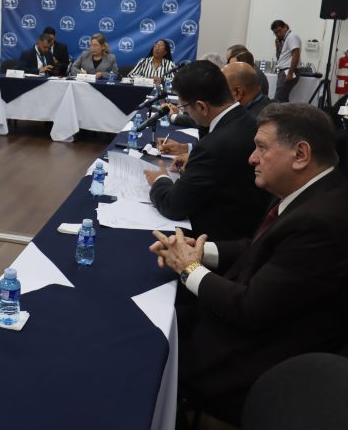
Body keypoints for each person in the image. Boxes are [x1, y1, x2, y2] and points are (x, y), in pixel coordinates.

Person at [149, 103, 348, 425]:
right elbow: (259, 247)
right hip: (248, 323)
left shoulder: (320, 222)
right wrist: (199, 250)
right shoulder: (314, 191)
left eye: (261, 148)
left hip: (251, 359)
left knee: (143, 346)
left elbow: (249, 308)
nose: (252, 159)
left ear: (300, 154)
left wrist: (188, 269)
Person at [144, 60, 269, 240]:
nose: (186, 113)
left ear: (202, 106)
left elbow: (173, 206)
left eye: (184, 108)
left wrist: (160, 179)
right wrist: (195, 161)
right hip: (249, 222)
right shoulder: (249, 120)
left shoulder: (212, 146)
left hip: (220, 236)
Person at [270, 19, 301, 102]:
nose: (278, 34)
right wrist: (278, 48)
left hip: (288, 71)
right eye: (275, 33)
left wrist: (290, 73)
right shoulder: (285, 40)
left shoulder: (292, 37)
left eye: (279, 31)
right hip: (284, 71)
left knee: (278, 100)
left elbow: (296, 54)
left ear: (286, 27)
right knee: (283, 100)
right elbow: (280, 59)